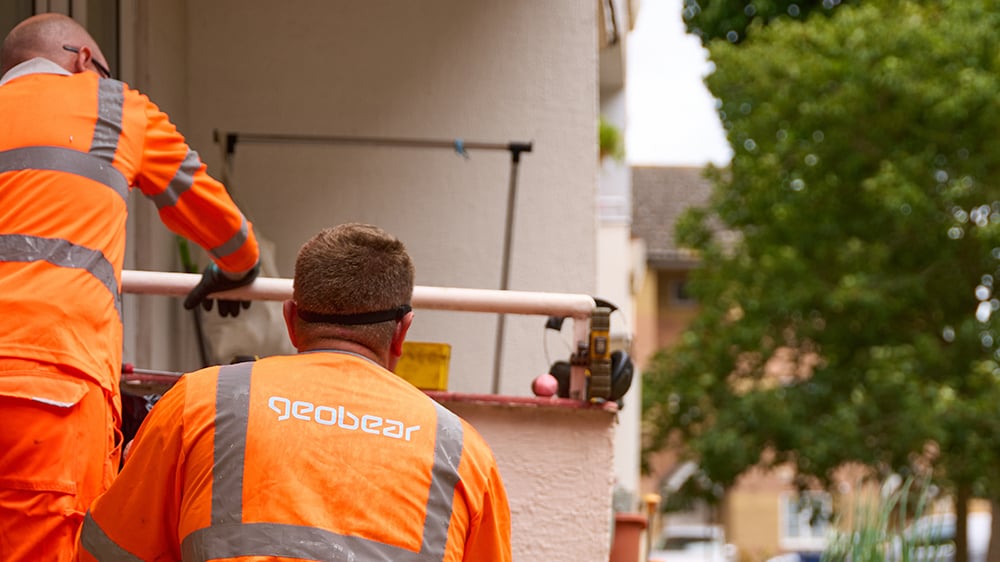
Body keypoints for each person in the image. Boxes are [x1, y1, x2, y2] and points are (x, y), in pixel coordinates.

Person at [78, 223, 512, 561]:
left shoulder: (201, 400)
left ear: (290, 319)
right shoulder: (462, 453)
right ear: (402, 333)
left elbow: (103, 553)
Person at [0, 13, 260, 561]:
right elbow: (229, 233)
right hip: (50, 386)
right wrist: (235, 271)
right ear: (84, 60)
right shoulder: (114, 106)